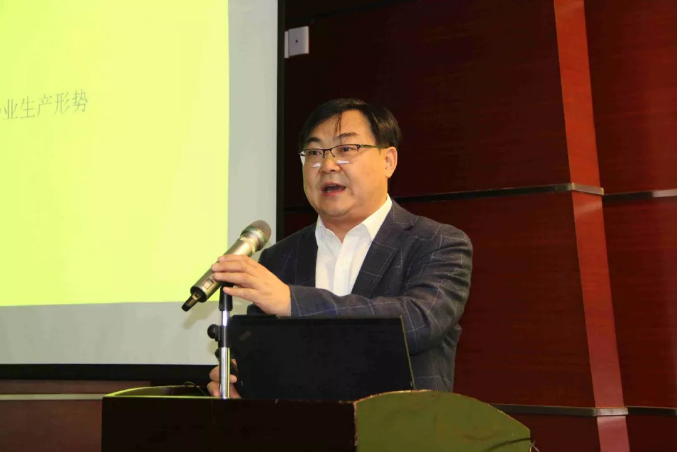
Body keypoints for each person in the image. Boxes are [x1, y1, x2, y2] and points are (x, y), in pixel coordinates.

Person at [207, 98, 472, 397]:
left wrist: (292, 301)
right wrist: (242, 378)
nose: (327, 166)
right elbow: (264, 352)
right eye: (314, 153)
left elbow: (417, 323)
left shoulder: (437, 243)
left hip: (402, 425)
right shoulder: (279, 257)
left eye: (346, 149)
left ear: (388, 161)